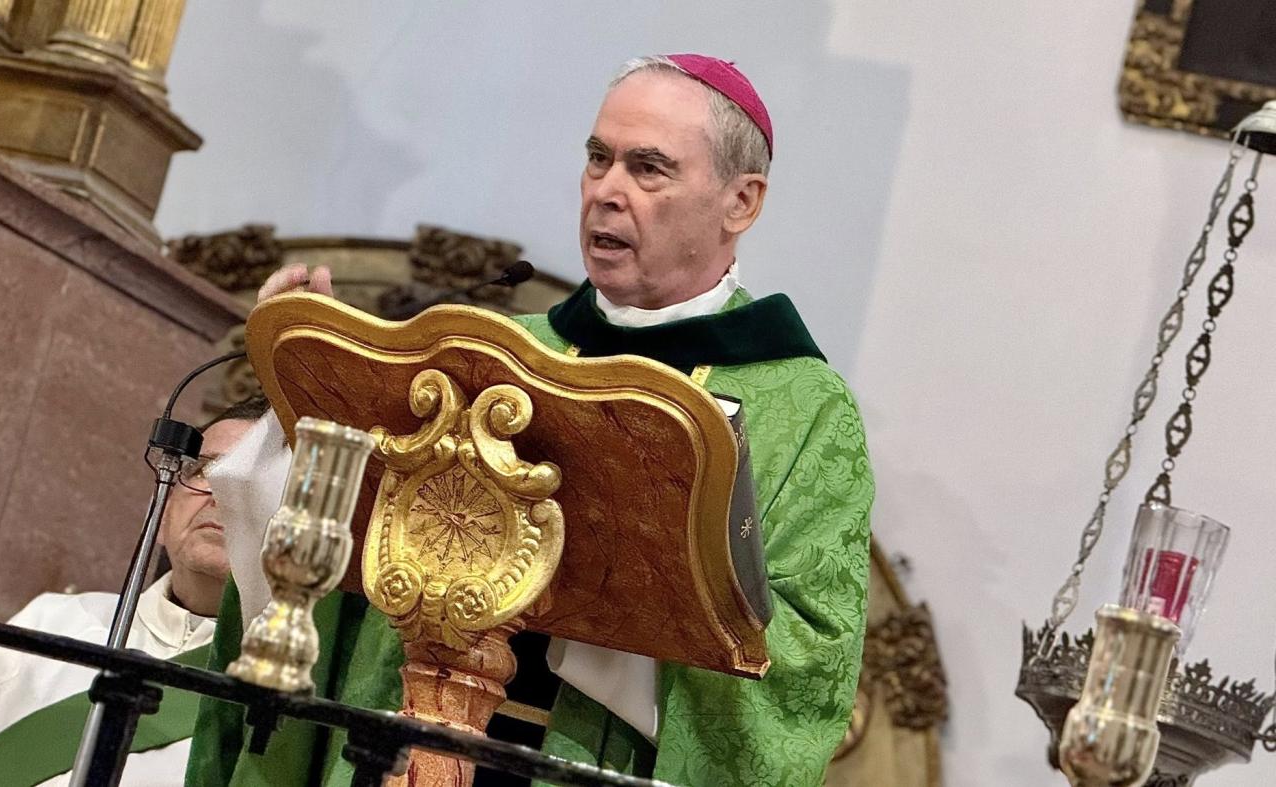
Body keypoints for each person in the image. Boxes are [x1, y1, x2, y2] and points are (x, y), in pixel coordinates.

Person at [191, 53, 873, 787]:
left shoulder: (801, 407)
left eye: (648, 168)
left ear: (741, 202)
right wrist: (320, 409)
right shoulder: (492, 354)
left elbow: (806, 671)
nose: (607, 191)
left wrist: (588, 604)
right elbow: (337, 581)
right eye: (597, 158)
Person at [0, 397, 271, 787]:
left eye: (253, 483)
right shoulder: (58, 622)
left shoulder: (286, 700)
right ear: (163, 512)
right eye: (204, 469)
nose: (222, 492)